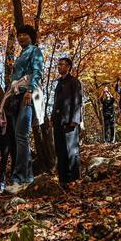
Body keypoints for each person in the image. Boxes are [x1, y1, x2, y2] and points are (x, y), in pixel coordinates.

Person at [4, 24, 45, 194]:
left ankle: (19, 178)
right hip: (16, 96)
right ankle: (26, 177)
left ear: (31, 36)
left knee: (22, 135)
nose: (21, 37)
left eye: (24, 35)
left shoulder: (34, 50)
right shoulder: (21, 53)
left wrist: (30, 90)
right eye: (19, 35)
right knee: (19, 136)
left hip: (27, 94)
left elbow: (38, 71)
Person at [52, 57, 83, 185]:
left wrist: (75, 120)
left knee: (71, 151)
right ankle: (63, 180)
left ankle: (74, 179)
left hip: (69, 122)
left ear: (68, 67)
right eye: (58, 64)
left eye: (62, 64)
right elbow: (56, 102)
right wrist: (52, 118)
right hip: (58, 122)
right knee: (60, 151)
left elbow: (77, 101)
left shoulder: (74, 82)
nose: (59, 67)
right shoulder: (59, 83)